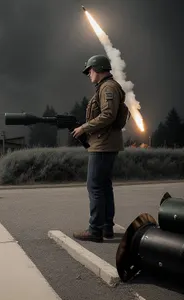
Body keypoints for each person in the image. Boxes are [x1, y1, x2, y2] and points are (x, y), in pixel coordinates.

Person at [71, 54, 126, 243]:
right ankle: (106, 227)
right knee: (104, 186)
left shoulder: (108, 87)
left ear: (99, 68)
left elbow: (108, 115)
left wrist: (84, 128)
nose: (88, 74)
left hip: (103, 145)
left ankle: (95, 230)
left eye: (90, 70)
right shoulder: (106, 87)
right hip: (106, 143)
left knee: (94, 186)